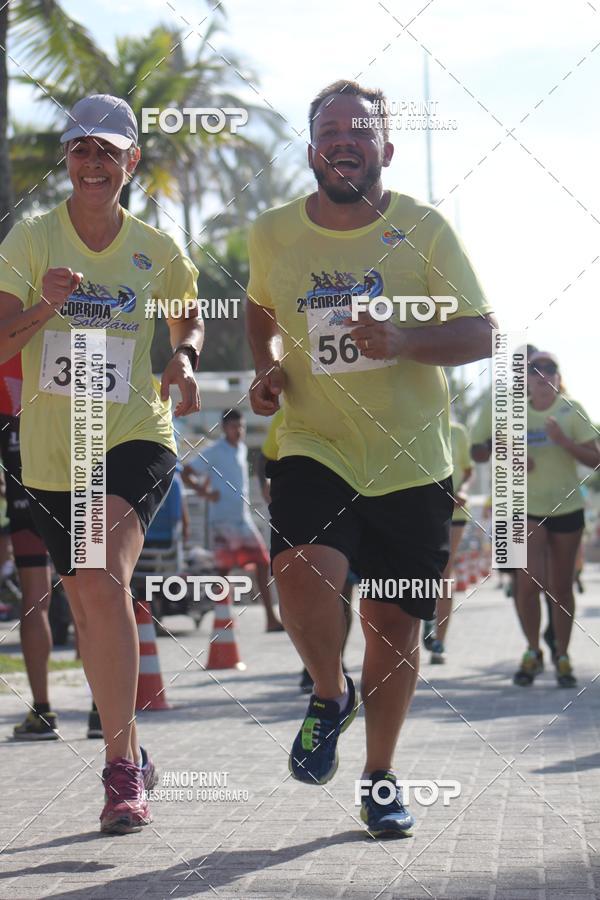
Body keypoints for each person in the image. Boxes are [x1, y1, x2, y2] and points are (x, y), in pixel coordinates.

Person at [246, 80, 495, 838]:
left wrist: (407, 341)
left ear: (385, 149)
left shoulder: (425, 230)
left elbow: (482, 333)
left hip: (412, 460)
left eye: (361, 130)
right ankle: (329, 692)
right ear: (313, 148)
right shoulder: (273, 234)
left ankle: (379, 778)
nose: (345, 140)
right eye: (330, 130)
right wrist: (269, 369)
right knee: (299, 570)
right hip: (312, 442)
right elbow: (261, 310)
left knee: (393, 629)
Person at [0, 94, 203, 833]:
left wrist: (181, 361)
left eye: (107, 150)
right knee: (89, 601)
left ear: (130, 161)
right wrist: (46, 310)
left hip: (134, 433)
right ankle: (135, 753)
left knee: (96, 573)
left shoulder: (157, 248)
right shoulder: (30, 241)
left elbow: (188, 319)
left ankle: (119, 773)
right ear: (66, 157)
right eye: (81, 149)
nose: (93, 163)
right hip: (55, 451)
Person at [514, 352, 599, 688]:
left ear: (557, 377)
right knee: (527, 584)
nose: (542, 375)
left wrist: (563, 441)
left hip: (567, 509)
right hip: (527, 508)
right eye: (535, 370)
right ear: (526, 380)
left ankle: (562, 655)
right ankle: (533, 651)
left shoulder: (571, 410)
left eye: (549, 369)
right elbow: (501, 451)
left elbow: (596, 459)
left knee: (560, 588)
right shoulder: (515, 413)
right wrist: (516, 460)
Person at [470, 343, 557, 657]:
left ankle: (555, 632)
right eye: (523, 367)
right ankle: (532, 646)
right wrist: (497, 443)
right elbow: (476, 450)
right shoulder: (499, 403)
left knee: (552, 577)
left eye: (537, 368)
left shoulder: (557, 401)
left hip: (554, 502)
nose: (531, 374)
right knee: (523, 580)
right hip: (510, 505)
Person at [259, 408, 353, 692]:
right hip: (308, 514)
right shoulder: (293, 407)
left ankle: (337, 661)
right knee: (308, 598)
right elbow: (265, 459)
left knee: (343, 596)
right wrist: (265, 489)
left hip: (352, 511)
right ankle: (313, 666)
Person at [183, 409, 283, 631]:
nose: (238, 431)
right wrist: (205, 493)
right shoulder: (215, 451)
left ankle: (270, 618)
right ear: (224, 428)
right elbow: (185, 472)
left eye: (241, 426)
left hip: (242, 518)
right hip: (222, 521)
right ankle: (224, 620)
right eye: (233, 426)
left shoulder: (242, 448)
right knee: (223, 570)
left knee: (263, 563)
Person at [429, 421, 472, 664]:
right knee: (420, 573)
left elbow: (468, 470)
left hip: (454, 512)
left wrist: (463, 490)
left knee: (445, 572)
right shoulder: (412, 423)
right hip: (422, 512)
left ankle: (439, 642)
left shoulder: (457, 431)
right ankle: (424, 620)